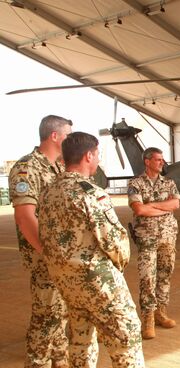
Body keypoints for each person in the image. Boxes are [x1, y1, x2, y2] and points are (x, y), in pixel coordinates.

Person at [38, 132, 145, 367]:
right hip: (97, 281)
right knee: (126, 338)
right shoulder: (91, 193)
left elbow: (44, 236)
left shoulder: (47, 193)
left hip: (66, 282)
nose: (98, 159)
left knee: (80, 340)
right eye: (97, 154)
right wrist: (116, 268)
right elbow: (115, 242)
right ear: (88, 156)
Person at [9, 115, 71, 368]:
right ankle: (37, 363)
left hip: (62, 255)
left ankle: (60, 360)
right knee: (45, 318)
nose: (70, 139)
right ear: (54, 136)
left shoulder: (59, 167)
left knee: (60, 314)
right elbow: (25, 217)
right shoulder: (26, 168)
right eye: (68, 134)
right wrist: (48, 254)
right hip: (44, 257)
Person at [127, 147, 180, 339]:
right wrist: (163, 208)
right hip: (147, 238)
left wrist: (150, 205)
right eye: (158, 159)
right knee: (147, 279)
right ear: (147, 161)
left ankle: (161, 313)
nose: (162, 162)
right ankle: (148, 319)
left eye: (162, 159)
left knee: (165, 275)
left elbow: (175, 204)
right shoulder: (135, 183)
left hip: (168, 237)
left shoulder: (169, 182)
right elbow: (139, 210)